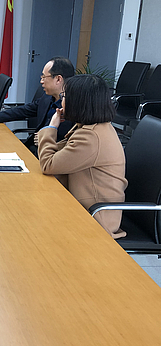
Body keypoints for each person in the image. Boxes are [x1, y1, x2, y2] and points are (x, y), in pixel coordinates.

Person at [38, 74, 128, 238]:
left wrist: (51, 127)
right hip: (82, 205)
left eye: (64, 96)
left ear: (78, 102)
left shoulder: (90, 137)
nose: (61, 101)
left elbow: (48, 164)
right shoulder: (94, 127)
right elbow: (61, 154)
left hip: (95, 218)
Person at [0, 57, 75, 155]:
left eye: (44, 77)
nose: (41, 81)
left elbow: (71, 143)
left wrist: (45, 137)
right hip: (33, 149)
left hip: (53, 156)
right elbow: (23, 110)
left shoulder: (74, 107)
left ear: (58, 79)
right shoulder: (47, 98)